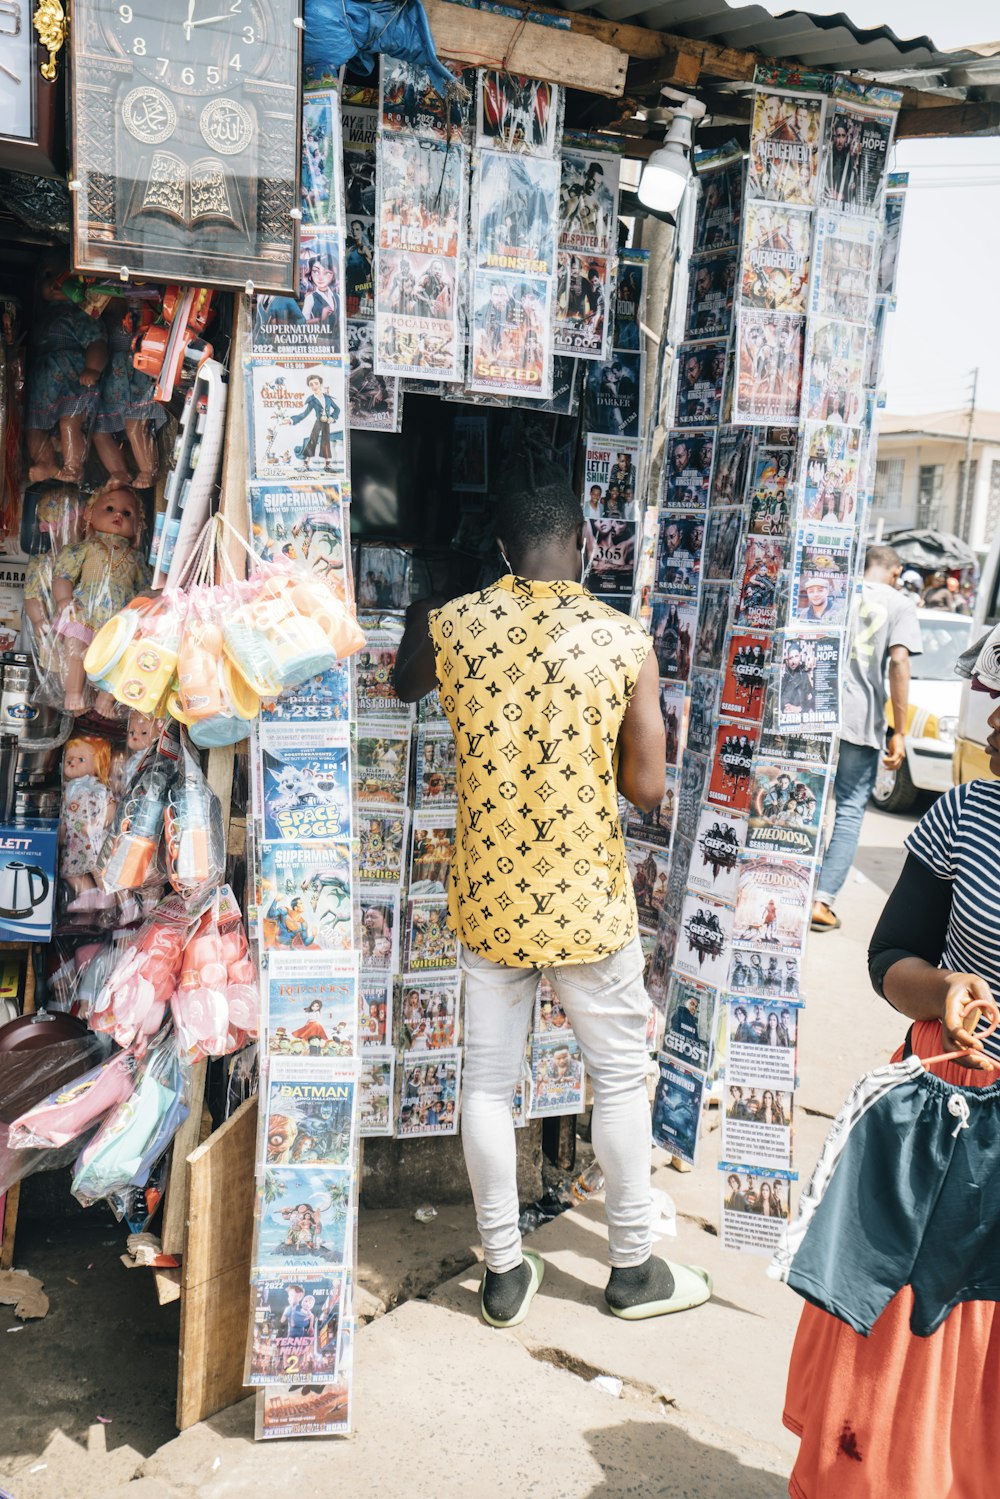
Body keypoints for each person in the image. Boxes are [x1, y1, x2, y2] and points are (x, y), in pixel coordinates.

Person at [393, 466, 711, 1329]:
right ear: (583, 545)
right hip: (586, 899)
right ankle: (632, 1271)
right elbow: (646, 788)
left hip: (490, 898)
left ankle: (502, 1273)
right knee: (617, 1081)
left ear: (501, 548)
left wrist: (455, 597)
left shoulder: (453, 624)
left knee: (487, 1087)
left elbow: (403, 683)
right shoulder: (621, 638)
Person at [781, 687, 1000, 1498]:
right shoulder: (967, 816)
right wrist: (943, 990)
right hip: (939, 1130)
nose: (998, 717)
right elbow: (892, 958)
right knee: (902, 1356)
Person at [812, 545, 922, 932]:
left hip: (814, 707)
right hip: (860, 720)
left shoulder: (835, 588)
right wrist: (901, 731)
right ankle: (822, 901)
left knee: (804, 799)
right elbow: (899, 660)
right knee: (850, 809)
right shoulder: (900, 603)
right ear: (897, 572)